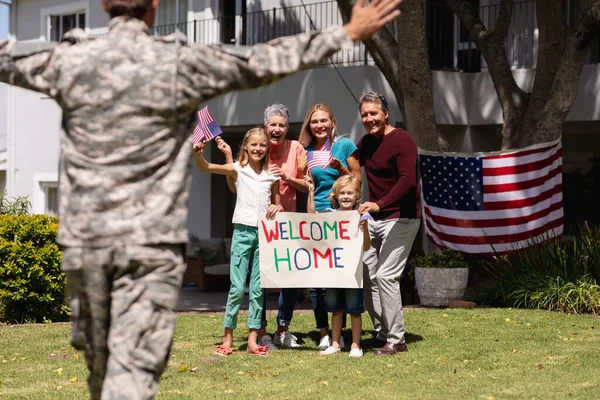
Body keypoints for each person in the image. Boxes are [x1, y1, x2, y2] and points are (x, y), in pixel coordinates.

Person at [0, 0, 401, 395]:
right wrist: (345, 33)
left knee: (101, 369)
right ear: (154, 6)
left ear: (104, 5)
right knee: (133, 376)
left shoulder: (71, 60)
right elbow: (260, 61)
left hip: (87, 246)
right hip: (149, 248)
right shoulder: (179, 62)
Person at [217, 104, 308, 350]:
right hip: (257, 226)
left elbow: (306, 184)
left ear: (287, 128)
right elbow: (236, 184)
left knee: (284, 280)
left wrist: (287, 179)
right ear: (265, 128)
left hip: (287, 225)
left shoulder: (296, 149)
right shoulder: (254, 155)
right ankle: (261, 332)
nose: (277, 129)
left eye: (282, 125)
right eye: (273, 125)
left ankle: (282, 329)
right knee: (258, 283)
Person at [193, 128, 282, 356]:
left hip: (264, 233)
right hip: (242, 232)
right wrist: (197, 155)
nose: (258, 149)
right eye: (254, 145)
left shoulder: (271, 174)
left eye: (262, 145)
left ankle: (253, 338)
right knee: (236, 287)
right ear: (246, 146)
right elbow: (206, 167)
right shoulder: (237, 169)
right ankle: (228, 336)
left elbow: (278, 202)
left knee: (257, 288)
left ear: (267, 148)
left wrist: (277, 206)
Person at [356, 91, 421, 356]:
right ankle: (382, 331)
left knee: (385, 275)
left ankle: (397, 339)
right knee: (368, 275)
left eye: (373, 113)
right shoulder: (366, 142)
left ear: (385, 114)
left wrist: (379, 204)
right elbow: (352, 168)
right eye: (364, 114)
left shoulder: (403, 140)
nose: (369, 118)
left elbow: (407, 180)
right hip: (374, 220)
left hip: (402, 218)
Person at [298, 103, 362, 350]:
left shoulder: (345, 145)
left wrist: (340, 168)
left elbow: (356, 180)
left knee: (342, 270)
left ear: (333, 122)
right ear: (309, 126)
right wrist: (304, 183)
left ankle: (345, 332)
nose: (319, 125)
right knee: (319, 278)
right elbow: (308, 185)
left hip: (342, 215)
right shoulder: (307, 151)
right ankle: (326, 332)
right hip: (318, 215)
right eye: (314, 122)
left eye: (324, 120)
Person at [306, 174, 370, 358]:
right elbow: (312, 217)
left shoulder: (362, 217)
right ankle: (335, 344)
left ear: (357, 195)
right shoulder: (330, 215)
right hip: (333, 272)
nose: (346, 196)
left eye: (350, 192)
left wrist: (364, 230)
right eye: (342, 193)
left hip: (353, 272)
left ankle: (356, 346)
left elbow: (366, 246)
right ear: (335, 195)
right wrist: (311, 191)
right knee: (335, 309)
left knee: (355, 310)